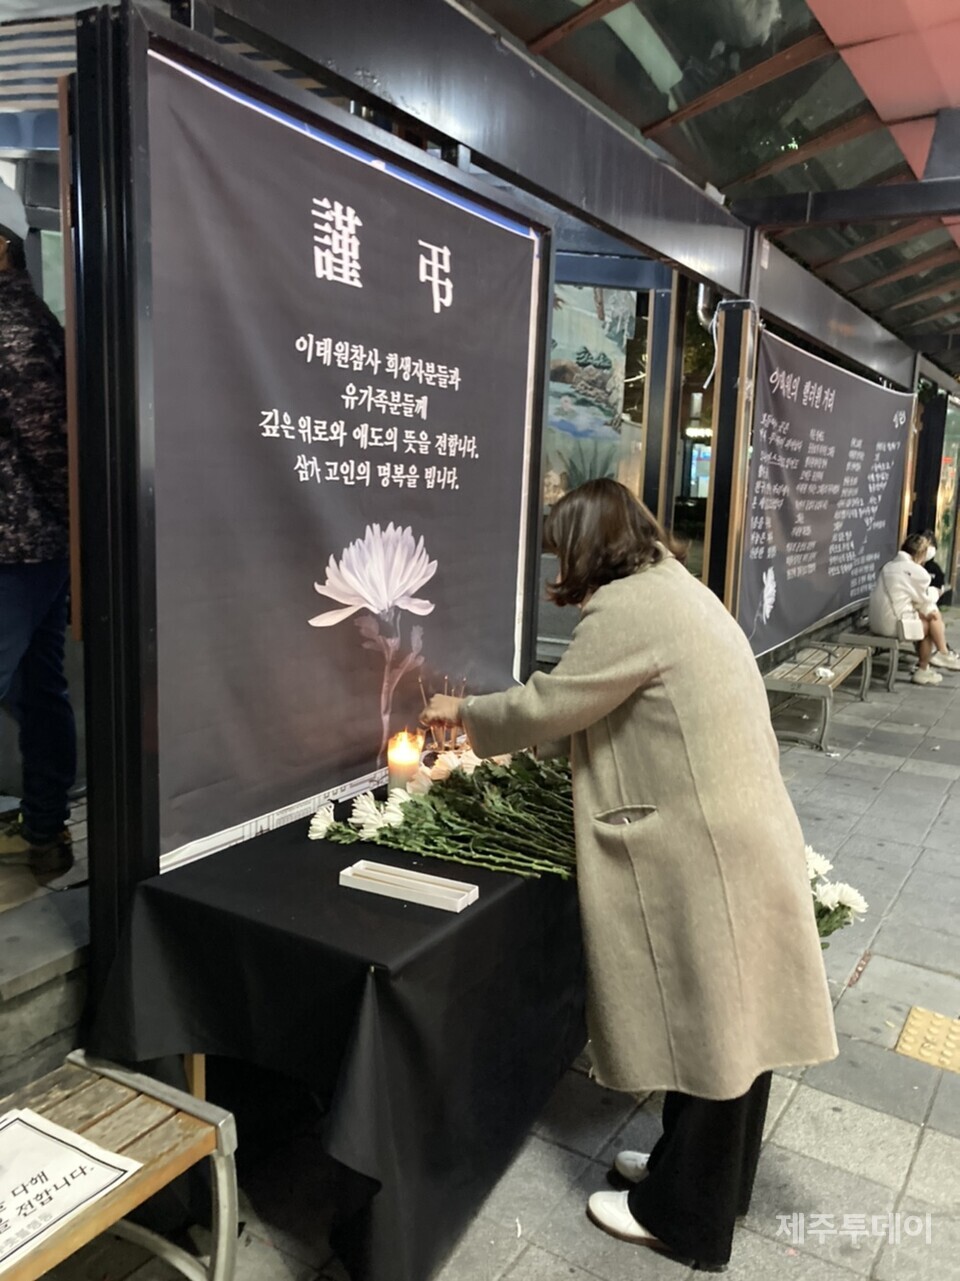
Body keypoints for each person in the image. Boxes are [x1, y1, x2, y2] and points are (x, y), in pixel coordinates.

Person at [422, 478, 838, 1272]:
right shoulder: (676, 590)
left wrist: (462, 715)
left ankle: (684, 1218)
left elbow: (552, 704)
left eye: (561, 551)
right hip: (740, 834)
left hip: (707, 846)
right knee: (731, 1030)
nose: (559, 570)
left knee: (716, 1029)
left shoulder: (631, 608)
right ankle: (703, 1180)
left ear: (588, 546)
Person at [0, 225, 76, 876]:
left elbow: (47, 441)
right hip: (36, 546)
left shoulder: (15, 326)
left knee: (36, 689)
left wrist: (66, 524)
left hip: (17, 550)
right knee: (39, 689)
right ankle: (45, 829)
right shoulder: (25, 320)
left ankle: (47, 826)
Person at [867, 533, 960, 686]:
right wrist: (936, 592)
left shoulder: (888, 566)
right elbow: (925, 599)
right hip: (893, 624)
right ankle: (934, 659)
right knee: (931, 620)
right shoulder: (917, 572)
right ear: (922, 554)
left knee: (930, 614)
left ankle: (935, 659)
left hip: (876, 621)